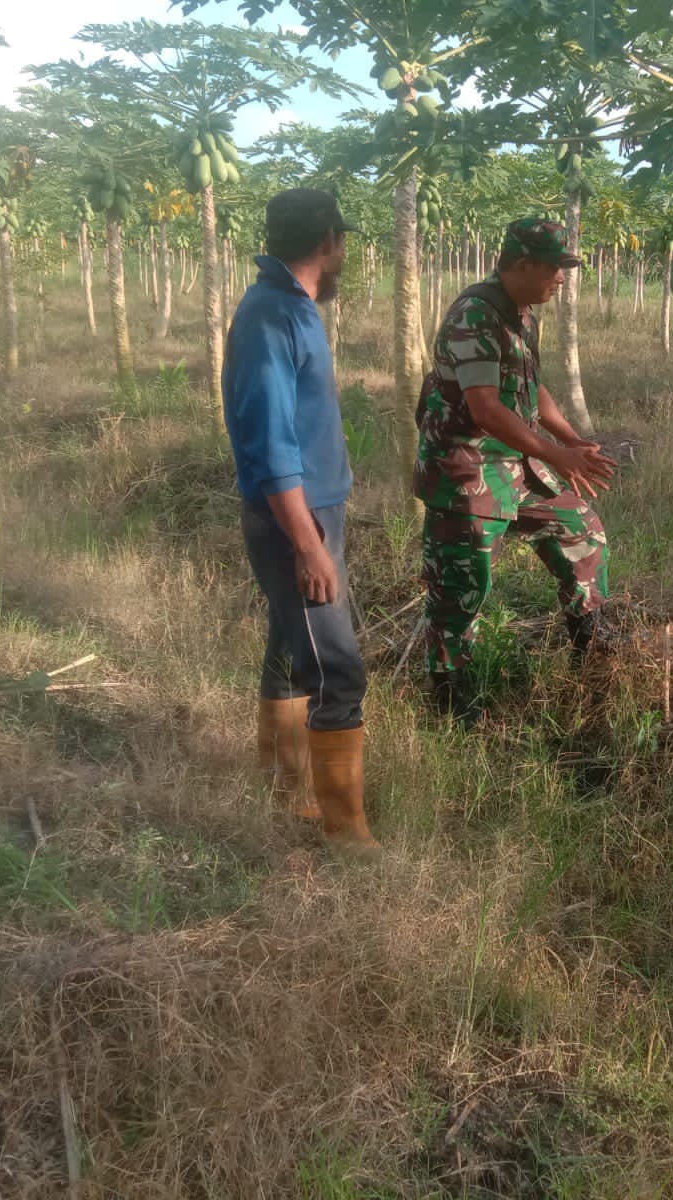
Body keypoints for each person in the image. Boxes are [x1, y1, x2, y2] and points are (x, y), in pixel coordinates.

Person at [414, 217, 619, 726]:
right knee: (463, 587)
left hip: (517, 465)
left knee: (583, 533)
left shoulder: (522, 313)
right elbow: (484, 409)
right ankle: (450, 699)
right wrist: (556, 454)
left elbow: (531, 386)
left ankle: (589, 655)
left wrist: (569, 438)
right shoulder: (475, 315)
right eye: (555, 267)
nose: (562, 278)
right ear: (522, 264)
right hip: (466, 469)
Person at [223, 188, 376, 851]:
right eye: (343, 243)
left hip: (314, 511)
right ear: (328, 243)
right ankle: (346, 833)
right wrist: (309, 545)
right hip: (295, 521)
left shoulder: (293, 307)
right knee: (336, 668)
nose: (345, 254)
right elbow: (270, 446)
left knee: (291, 649)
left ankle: (288, 795)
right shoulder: (271, 318)